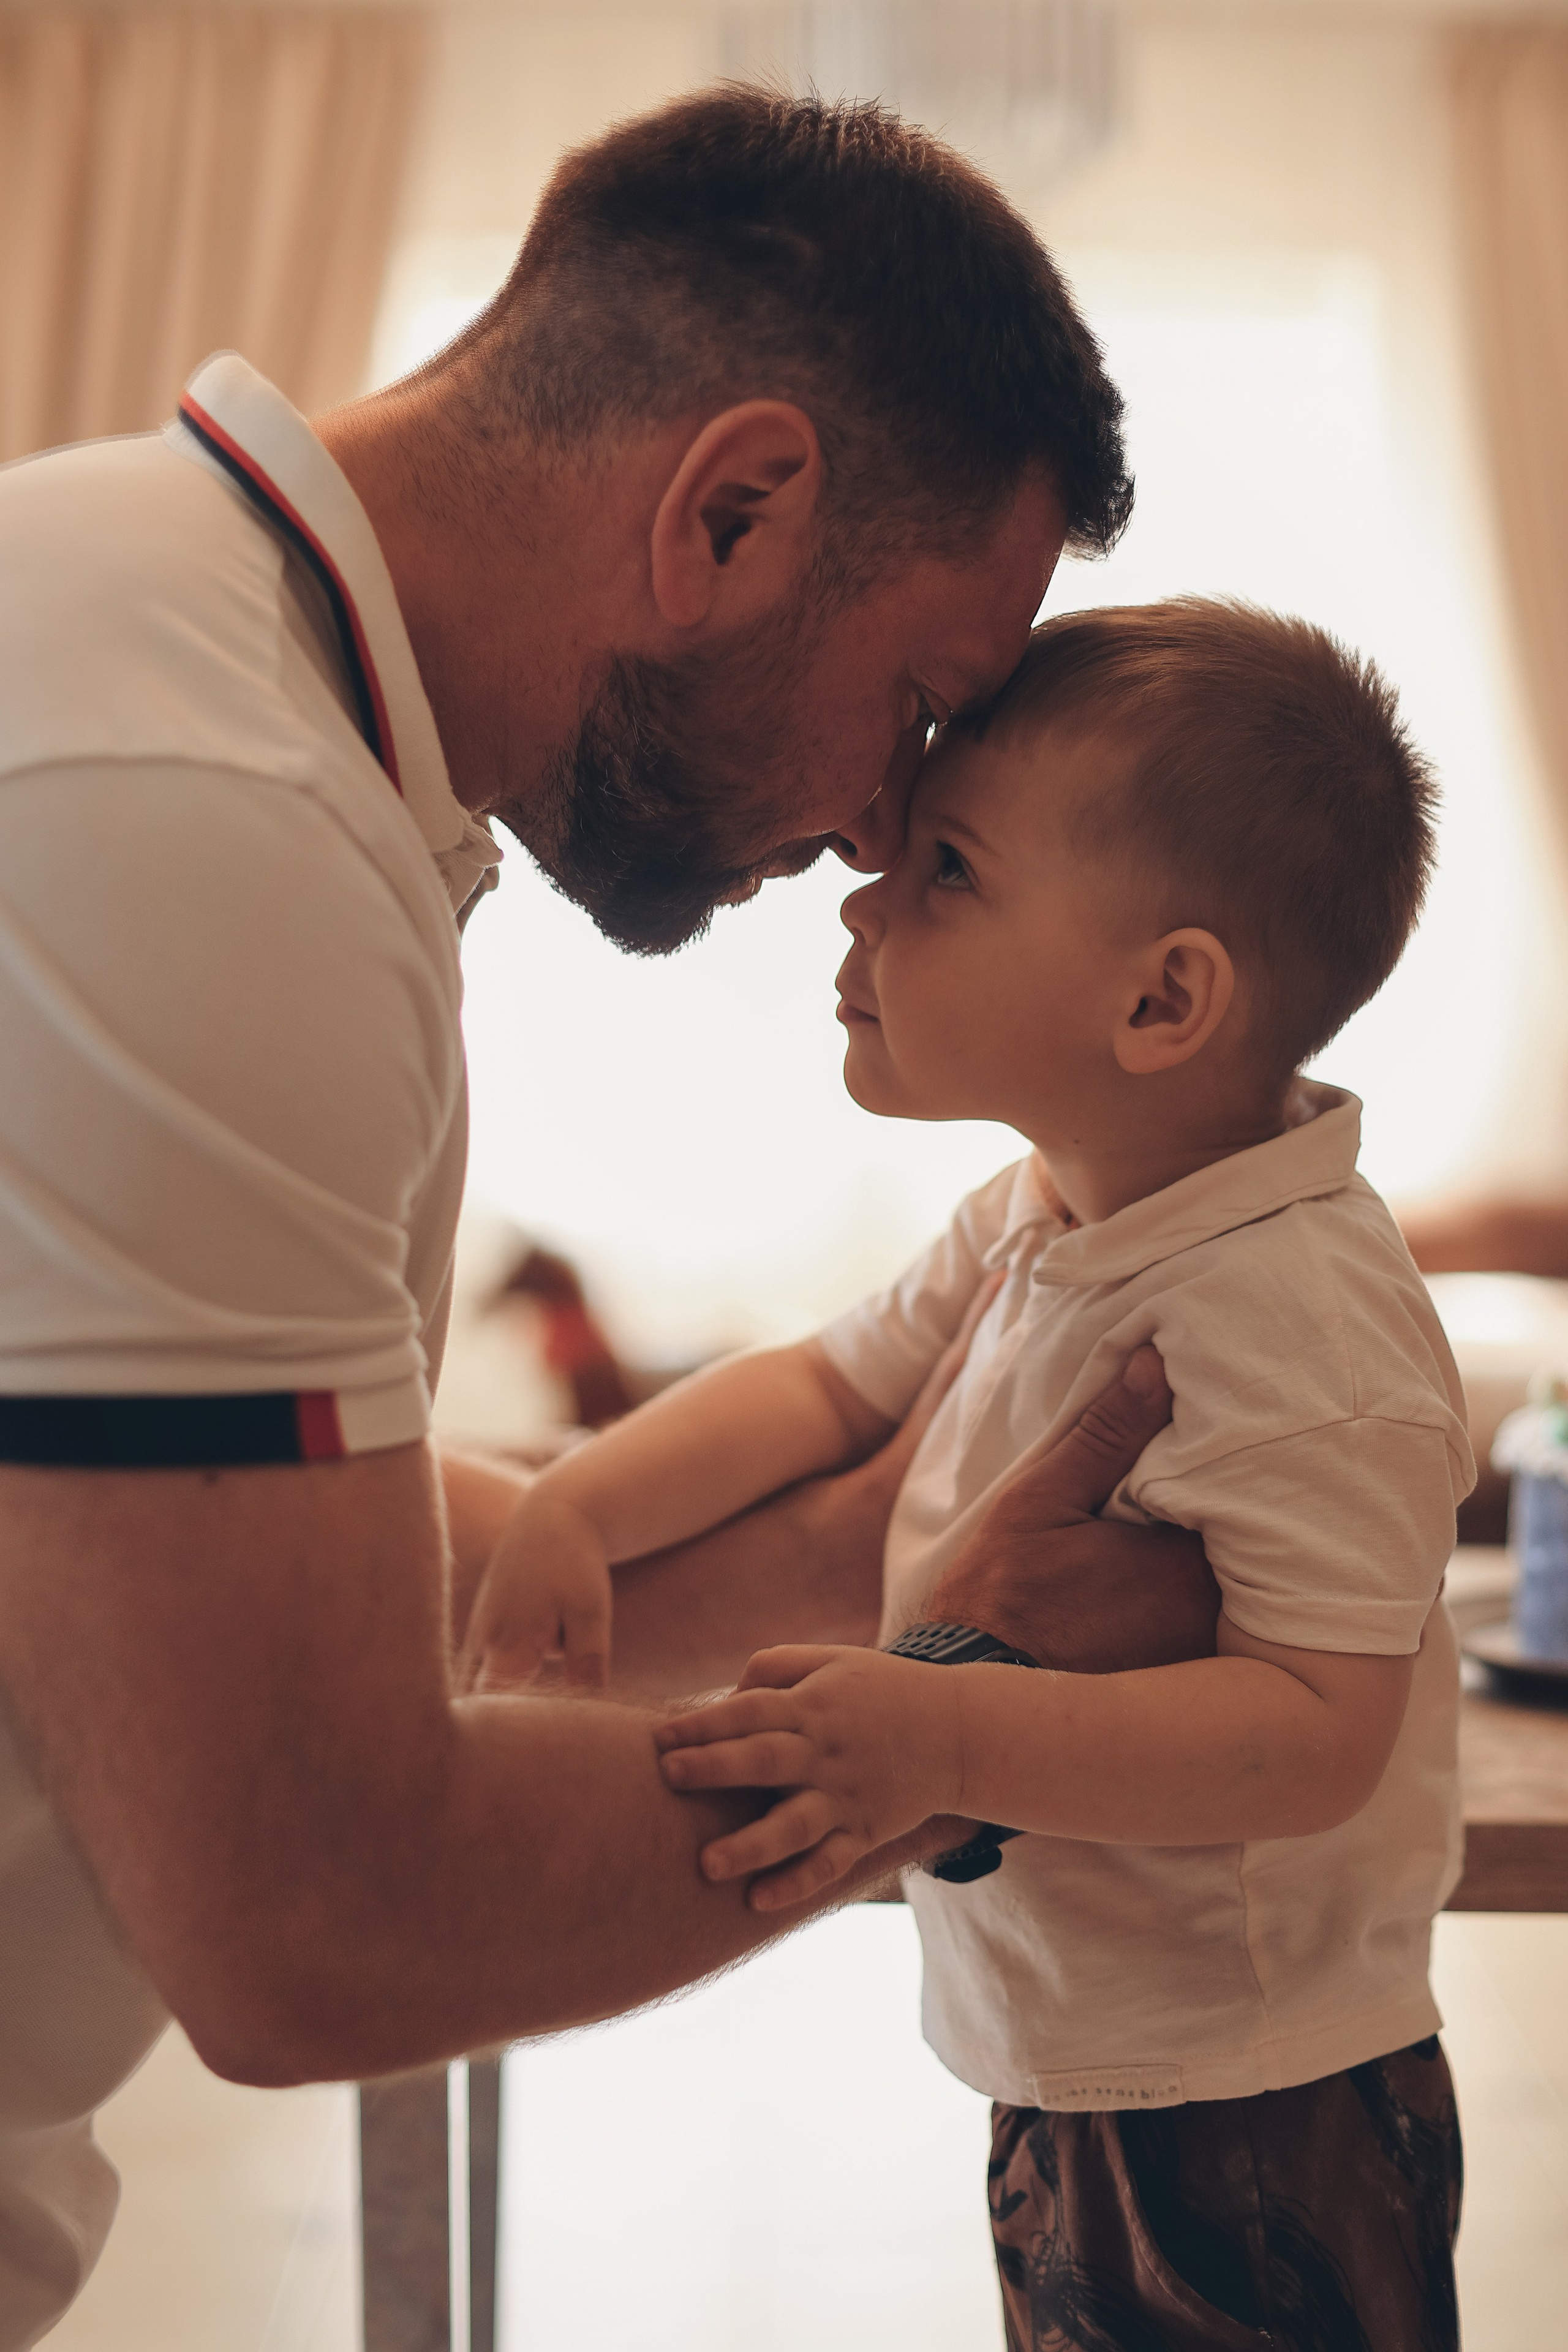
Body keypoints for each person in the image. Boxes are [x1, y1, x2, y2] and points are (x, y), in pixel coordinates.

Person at [0, 89, 1230, 2345]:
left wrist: (876, 1556)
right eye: (924, 705)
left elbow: (152, 1529)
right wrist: (963, 1719)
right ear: (733, 509)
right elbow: (322, 1914)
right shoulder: (205, 822)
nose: (890, 828)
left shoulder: (146, 639)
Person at [462, 601, 1475, 2350]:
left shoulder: (1298, 1318)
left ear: (1161, 1000)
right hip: (1088, 2047)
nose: (863, 895)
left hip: (1254, 2106)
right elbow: (828, 1389)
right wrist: (578, 1508)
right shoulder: (1044, 1208)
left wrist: (939, 1736)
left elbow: (1317, 1735)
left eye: (948, 870)